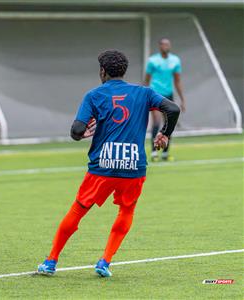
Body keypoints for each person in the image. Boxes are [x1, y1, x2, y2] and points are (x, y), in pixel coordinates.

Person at [37, 50, 180, 277]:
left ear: (102, 71)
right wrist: (164, 134)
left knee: (78, 210)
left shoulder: (94, 95)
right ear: (123, 71)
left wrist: (81, 133)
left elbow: (76, 131)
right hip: (133, 166)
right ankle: (105, 262)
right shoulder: (143, 93)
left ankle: (51, 261)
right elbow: (172, 108)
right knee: (126, 210)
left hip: (102, 166)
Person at [145, 38, 185, 161]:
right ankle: (154, 152)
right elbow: (146, 80)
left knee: (169, 123)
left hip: (168, 95)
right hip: (155, 95)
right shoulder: (152, 61)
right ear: (159, 46)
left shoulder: (175, 60)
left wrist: (182, 99)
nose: (165, 46)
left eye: (167, 44)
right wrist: (144, 97)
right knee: (156, 123)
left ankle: (165, 153)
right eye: (163, 44)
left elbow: (177, 81)